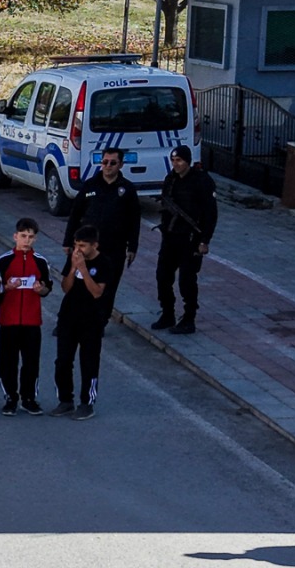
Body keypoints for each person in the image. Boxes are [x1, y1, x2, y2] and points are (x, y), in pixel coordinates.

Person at [152, 145, 218, 333]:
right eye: (173, 160)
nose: (176, 164)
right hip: (171, 237)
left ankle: (189, 318)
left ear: (188, 162)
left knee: (187, 281)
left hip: (191, 239)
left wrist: (204, 240)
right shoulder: (171, 179)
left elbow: (210, 214)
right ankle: (167, 313)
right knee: (163, 276)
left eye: (179, 160)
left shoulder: (202, 181)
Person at [65, 148, 142, 296]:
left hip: (115, 248)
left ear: (120, 164)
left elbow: (134, 220)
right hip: (89, 247)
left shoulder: (127, 189)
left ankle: (103, 318)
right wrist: (67, 241)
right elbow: (75, 214)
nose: (108, 166)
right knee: (84, 288)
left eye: (113, 163)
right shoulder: (90, 185)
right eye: (105, 162)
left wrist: (133, 247)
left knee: (108, 289)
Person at [0, 220, 52, 414]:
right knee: (8, 362)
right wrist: (7, 287)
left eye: (30, 237)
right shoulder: (3, 261)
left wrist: (40, 288)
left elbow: (47, 288)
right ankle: (10, 398)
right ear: (15, 236)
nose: (26, 240)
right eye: (23, 236)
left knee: (31, 362)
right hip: (9, 321)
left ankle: (29, 398)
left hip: (32, 321)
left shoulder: (40, 261)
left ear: (35, 238)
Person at [54, 230, 110, 417]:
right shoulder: (73, 258)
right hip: (69, 317)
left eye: (83, 246)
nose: (78, 249)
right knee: (62, 361)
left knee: (89, 363)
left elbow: (96, 292)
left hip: (91, 320)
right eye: (76, 245)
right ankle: (65, 400)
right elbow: (65, 287)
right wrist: (72, 269)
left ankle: (87, 403)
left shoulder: (104, 263)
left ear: (94, 245)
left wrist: (84, 270)